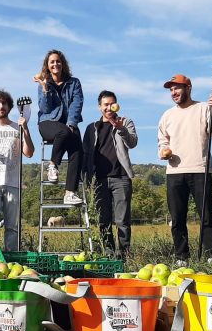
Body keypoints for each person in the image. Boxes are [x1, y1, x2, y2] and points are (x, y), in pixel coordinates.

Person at [157, 74, 212, 265]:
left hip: (200, 169)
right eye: (171, 89)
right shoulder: (167, 115)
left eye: (177, 88)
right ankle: (182, 257)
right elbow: (162, 141)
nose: (173, 92)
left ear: (188, 88)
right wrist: (163, 151)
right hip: (174, 172)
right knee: (177, 218)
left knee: (207, 215)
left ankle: (210, 256)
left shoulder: (204, 108)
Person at [82, 90, 138, 259]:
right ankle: (108, 254)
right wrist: (85, 178)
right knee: (103, 220)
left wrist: (121, 129)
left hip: (121, 177)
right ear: (99, 107)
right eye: (105, 104)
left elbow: (132, 143)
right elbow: (85, 154)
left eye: (112, 104)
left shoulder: (125, 122)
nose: (109, 107)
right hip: (99, 179)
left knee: (122, 220)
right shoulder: (92, 128)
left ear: (116, 105)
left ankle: (125, 255)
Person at [0, 89, 35, 251]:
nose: (1, 106)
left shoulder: (18, 127)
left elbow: (29, 153)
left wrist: (26, 129)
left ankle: (12, 257)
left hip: (13, 182)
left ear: (9, 106)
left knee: (13, 226)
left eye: (4, 103)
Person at [34, 49, 84, 205]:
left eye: (58, 61)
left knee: (77, 147)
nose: (55, 64)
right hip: (47, 123)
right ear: (47, 66)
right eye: (52, 62)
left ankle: (70, 193)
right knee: (64, 132)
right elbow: (45, 109)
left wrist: (71, 123)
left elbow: (77, 104)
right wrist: (45, 89)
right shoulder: (44, 83)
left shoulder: (74, 83)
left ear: (63, 64)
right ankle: (52, 166)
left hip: (68, 124)